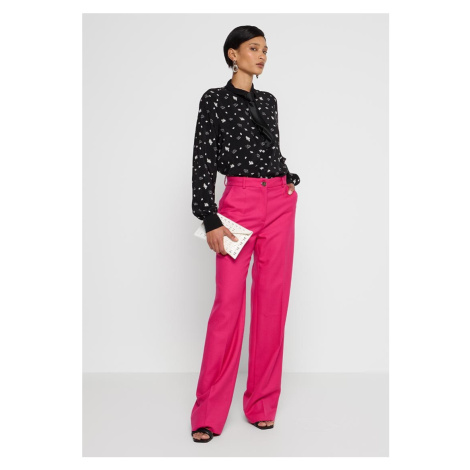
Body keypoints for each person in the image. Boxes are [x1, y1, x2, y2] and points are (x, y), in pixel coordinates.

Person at [190, 25, 300, 443]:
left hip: (279, 202)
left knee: (273, 305)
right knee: (228, 307)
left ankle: (262, 405)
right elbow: (203, 158)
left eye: (266, 50)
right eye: (254, 48)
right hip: (237, 204)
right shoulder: (214, 99)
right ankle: (208, 413)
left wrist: (287, 179)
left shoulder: (269, 101)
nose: (262, 56)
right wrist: (209, 217)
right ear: (232, 54)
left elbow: (269, 149)